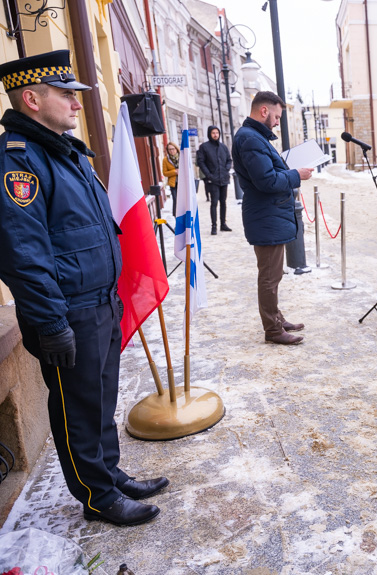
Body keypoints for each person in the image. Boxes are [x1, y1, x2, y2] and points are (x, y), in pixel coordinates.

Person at [0, 50, 168, 526]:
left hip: (99, 302)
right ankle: (97, 497)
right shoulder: (18, 164)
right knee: (78, 407)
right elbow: (24, 254)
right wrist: (52, 323)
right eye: (66, 94)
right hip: (67, 312)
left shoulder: (66, 152)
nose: (77, 104)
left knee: (102, 397)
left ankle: (110, 473)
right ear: (32, 99)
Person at [232, 91, 312, 345]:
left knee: (273, 274)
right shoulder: (250, 139)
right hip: (266, 216)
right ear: (264, 111)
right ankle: (273, 330)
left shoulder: (254, 137)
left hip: (268, 215)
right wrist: (296, 174)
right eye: (276, 116)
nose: (278, 122)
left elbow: (268, 172)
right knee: (269, 275)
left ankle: (276, 318)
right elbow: (267, 181)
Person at [197, 125, 232, 235]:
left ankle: (223, 224)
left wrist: (226, 170)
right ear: (209, 134)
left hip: (224, 179)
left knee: (223, 202)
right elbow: (201, 162)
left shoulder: (223, 147)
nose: (215, 135)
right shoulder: (204, 147)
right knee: (214, 203)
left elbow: (229, 160)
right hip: (212, 180)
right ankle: (214, 226)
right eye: (213, 133)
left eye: (217, 132)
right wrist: (208, 175)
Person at [162, 141, 179, 217]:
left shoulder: (182, 157)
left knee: (184, 201)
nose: (172, 151)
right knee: (176, 201)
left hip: (183, 183)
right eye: (169, 149)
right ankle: (176, 218)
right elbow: (165, 173)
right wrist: (174, 172)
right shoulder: (165, 160)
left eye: (173, 149)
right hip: (173, 184)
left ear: (176, 149)